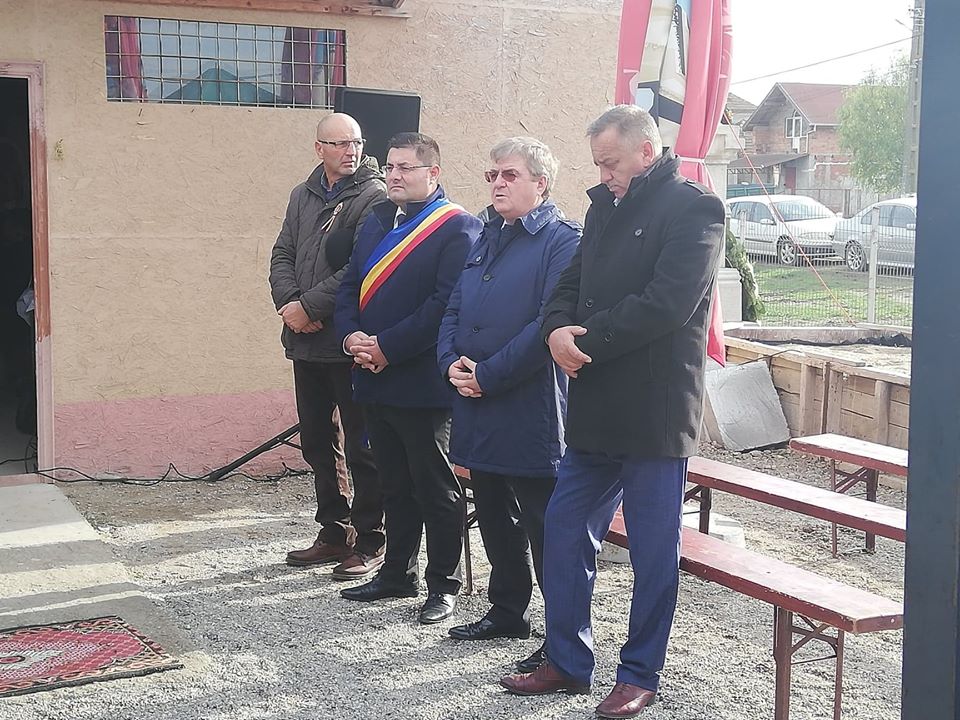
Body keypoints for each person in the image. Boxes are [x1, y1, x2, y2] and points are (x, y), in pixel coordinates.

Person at [499, 106, 725, 718]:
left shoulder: (694, 209)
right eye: (598, 163)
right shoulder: (603, 206)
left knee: (653, 553)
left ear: (646, 151)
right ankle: (567, 660)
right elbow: (568, 285)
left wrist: (585, 340)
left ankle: (640, 674)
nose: (604, 174)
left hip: (653, 411)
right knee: (563, 530)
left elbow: (668, 303)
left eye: (611, 162)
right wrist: (554, 331)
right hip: (595, 406)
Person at [437, 137, 579, 672]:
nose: (497, 183)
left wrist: (488, 375)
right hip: (476, 402)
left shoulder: (561, 241)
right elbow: (454, 308)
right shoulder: (485, 235)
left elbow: (548, 322)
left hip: (528, 404)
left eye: (510, 175)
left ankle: (560, 633)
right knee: (493, 512)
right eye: (492, 174)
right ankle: (506, 610)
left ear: (541, 183)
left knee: (544, 526)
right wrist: (449, 364)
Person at [335, 132, 483, 624]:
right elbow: (350, 285)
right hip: (372, 375)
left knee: (434, 487)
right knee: (391, 482)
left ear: (433, 174)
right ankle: (398, 571)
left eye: (405, 168)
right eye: (390, 167)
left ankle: (444, 584)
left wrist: (388, 347)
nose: (393, 176)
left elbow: (443, 305)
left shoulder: (457, 227)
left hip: (421, 382)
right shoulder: (377, 218)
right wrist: (351, 337)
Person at [269, 113, 387, 581]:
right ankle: (334, 531)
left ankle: (371, 538)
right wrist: (290, 304)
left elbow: (360, 268)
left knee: (362, 445)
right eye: (339, 143)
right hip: (305, 340)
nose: (350, 151)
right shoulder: (303, 194)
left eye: (355, 142)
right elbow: (282, 253)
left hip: (346, 341)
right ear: (319, 148)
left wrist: (311, 306)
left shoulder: (374, 196)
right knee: (318, 442)